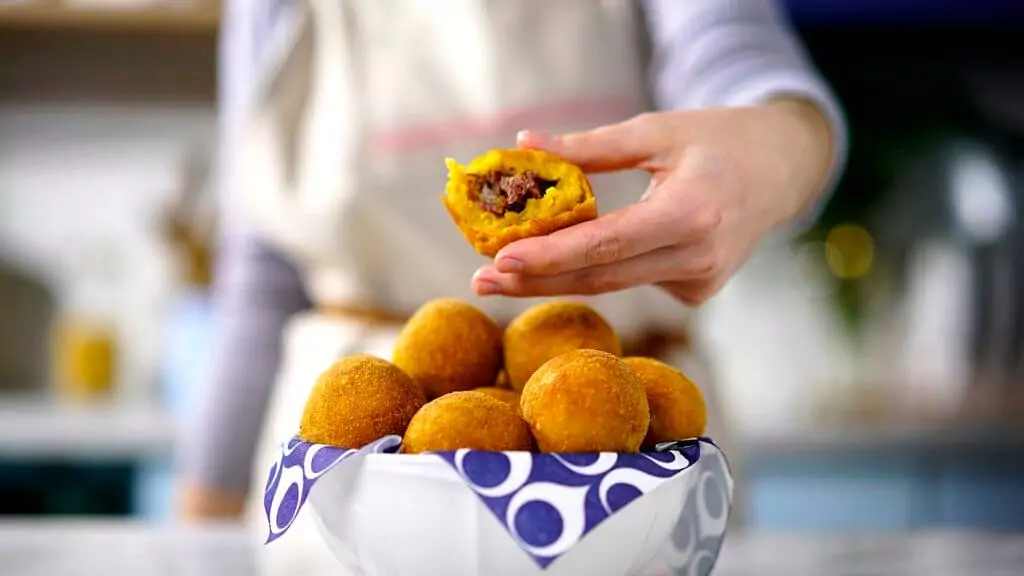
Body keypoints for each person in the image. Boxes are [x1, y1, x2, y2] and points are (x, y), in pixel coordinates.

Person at [179, 0, 847, 573]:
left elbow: (743, 64)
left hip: (636, 460)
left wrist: (770, 149)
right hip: (353, 479)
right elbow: (261, 282)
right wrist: (200, 521)